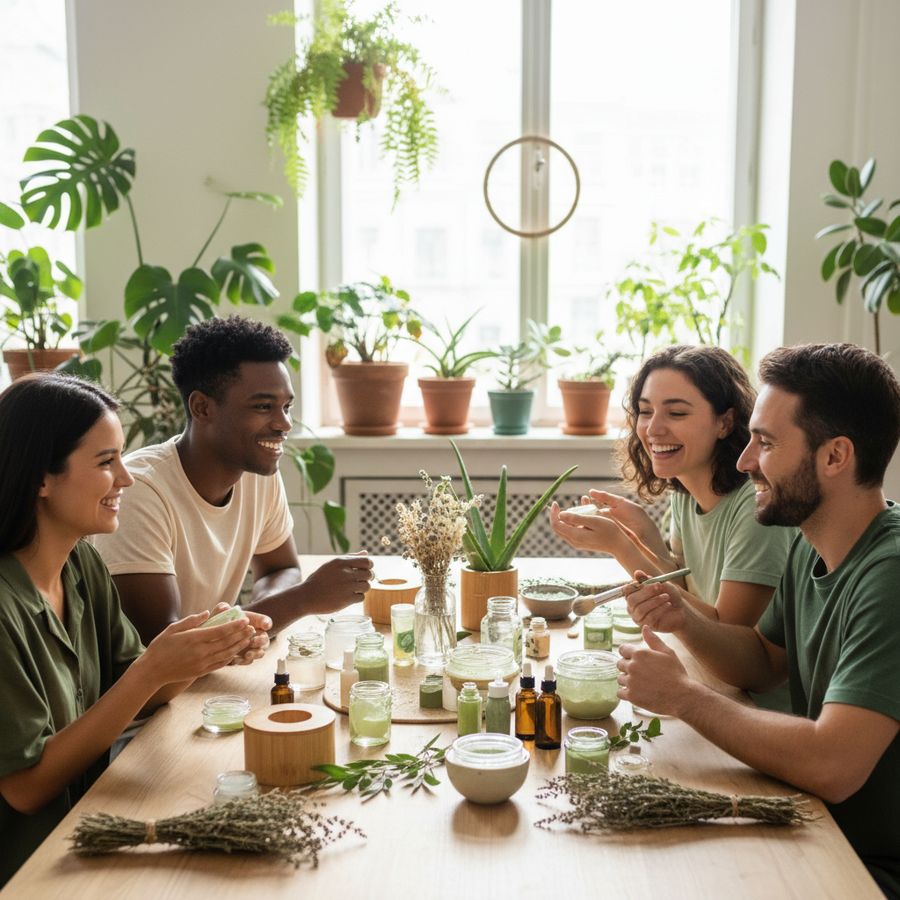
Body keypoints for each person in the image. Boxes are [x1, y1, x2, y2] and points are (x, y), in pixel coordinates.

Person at [616, 343, 900, 897]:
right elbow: (764, 665)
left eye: (765, 443)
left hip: (868, 868)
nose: (744, 461)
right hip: (812, 824)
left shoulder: (890, 574)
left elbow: (833, 764)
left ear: (835, 456)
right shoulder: (810, 544)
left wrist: (684, 698)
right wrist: (683, 619)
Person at [0, 375, 264, 886]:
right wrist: (151, 672)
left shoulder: (81, 565)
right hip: (26, 872)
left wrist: (204, 648)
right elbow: (26, 789)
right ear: (41, 477)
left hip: (87, 831)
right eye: (106, 462)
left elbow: (141, 692)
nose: (127, 478)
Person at [94, 316, 372, 644]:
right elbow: (160, 646)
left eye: (286, 407)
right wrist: (303, 599)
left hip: (209, 673)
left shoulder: (256, 472)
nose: (283, 424)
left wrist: (249, 622)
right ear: (202, 408)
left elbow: (279, 569)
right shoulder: (139, 491)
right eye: (264, 406)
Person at [550, 344, 795, 628]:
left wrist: (621, 546)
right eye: (645, 411)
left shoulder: (756, 504)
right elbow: (683, 589)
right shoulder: (685, 489)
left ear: (725, 422)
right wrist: (644, 533)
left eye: (676, 413)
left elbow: (726, 633)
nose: (653, 429)